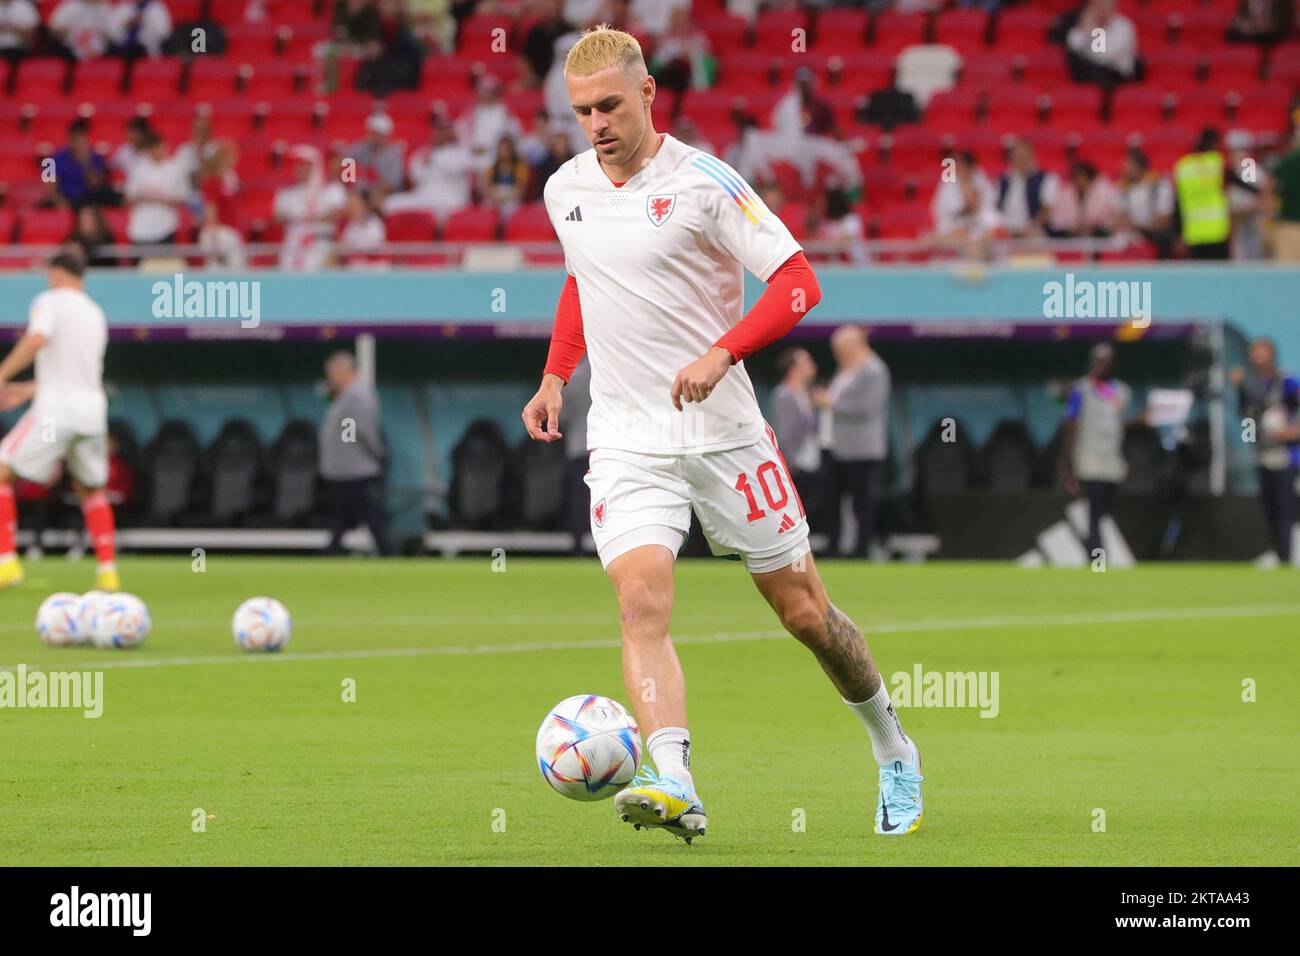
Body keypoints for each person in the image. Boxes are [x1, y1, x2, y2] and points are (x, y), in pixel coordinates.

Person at [522, 25, 923, 844]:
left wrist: (722, 350)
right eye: (581, 111)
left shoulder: (705, 183)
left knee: (805, 612)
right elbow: (580, 281)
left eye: (608, 105)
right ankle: (674, 780)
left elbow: (799, 281)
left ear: (646, 95)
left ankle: (892, 745)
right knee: (641, 604)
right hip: (628, 438)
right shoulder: (566, 189)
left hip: (726, 434)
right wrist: (556, 375)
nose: (596, 122)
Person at [0, 252, 120, 592]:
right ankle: (108, 572)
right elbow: (75, 373)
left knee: (1, 472)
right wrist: (26, 389)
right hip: (91, 416)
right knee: (92, 490)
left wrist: (4, 372)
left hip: (56, 415)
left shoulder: (48, 301)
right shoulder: (95, 313)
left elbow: (37, 339)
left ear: (55, 273)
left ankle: (6, 563)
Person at [813, 326, 890, 559]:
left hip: (862, 451)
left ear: (854, 346)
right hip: (835, 448)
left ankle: (862, 549)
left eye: (839, 349)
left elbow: (869, 407)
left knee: (863, 504)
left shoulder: (874, 370)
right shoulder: (845, 370)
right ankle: (833, 547)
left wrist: (829, 404)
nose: (836, 354)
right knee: (831, 501)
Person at [1059, 343, 1133, 560]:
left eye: (1105, 361)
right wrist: (1067, 463)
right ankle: (1097, 559)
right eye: (1097, 360)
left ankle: (1100, 554)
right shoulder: (1080, 390)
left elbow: (1122, 423)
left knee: (1102, 513)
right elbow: (1071, 425)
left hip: (1112, 463)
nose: (1100, 365)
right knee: (1093, 513)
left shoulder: (1120, 392)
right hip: (1088, 461)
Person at [1231, 338, 1299, 566]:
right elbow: (1246, 418)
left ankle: (1286, 556)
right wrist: (1240, 389)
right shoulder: (1253, 385)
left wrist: (1293, 431)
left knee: (1285, 508)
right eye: (1254, 352)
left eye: (1261, 352)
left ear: (1272, 354)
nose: (1256, 356)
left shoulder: (1286, 381)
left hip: (1286, 457)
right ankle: (1278, 553)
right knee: (1269, 506)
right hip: (1263, 455)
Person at [319, 351, 390, 556]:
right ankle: (332, 550)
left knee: (370, 515)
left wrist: (375, 453)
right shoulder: (346, 394)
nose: (330, 378)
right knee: (344, 517)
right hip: (345, 469)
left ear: (343, 371)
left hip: (356, 470)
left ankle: (389, 553)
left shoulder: (359, 394)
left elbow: (361, 429)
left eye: (332, 373)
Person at [769, 347, 821, 520]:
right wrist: (791, 464)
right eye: (806, 362)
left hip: (809, 462)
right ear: (793, 368)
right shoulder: (784, 395)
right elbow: (785, 433)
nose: (811, 366)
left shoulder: (804, 394)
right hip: (796, 464)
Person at [124, 130, 189, 249]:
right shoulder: (138, 168)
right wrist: (147, 198)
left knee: (163, 266)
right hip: (140, 229)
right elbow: (129, 199)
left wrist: (158, 198)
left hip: (165, 228)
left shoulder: (176, 168)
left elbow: (182, 199)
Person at [1174, 127, 1231, 260]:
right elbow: (1239, 182)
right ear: (1213, 143)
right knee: (1221, 277)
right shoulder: (1217, 162)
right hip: (1217, 231)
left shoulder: (1183, 166)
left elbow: (1177, 202)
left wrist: (1177, 232)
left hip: (1193, 232)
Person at [1065, 0, 1138, 89]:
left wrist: (1086, 57)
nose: (1102, 9)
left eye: (1105, 5)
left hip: (1116, 75)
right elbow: (1072, 45)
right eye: (1098, 5)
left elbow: (1108, 56)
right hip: (1092, 73)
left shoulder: (1124, 26)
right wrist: (1082, 27)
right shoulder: (1089, 23)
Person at [996, 140, 1058, 239]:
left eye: (1023, 154)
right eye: (1016, 155)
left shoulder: (1045, 179)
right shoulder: (1004, 181)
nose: (1019, 158)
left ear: (1031, 155)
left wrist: (1032, 227)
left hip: (1032, 231)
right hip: (1007, 232)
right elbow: (996, 206)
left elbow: (1047, 208)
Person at [562, 356, 593, 555]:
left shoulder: (571, 376)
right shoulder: (609, 368)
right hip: (609, 444)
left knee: (580, 500)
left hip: (579, 445)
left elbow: (562, 415)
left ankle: (577, 546)